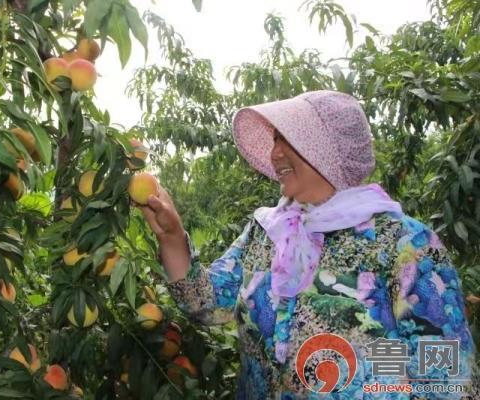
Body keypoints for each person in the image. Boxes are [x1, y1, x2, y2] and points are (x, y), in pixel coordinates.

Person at [139, 90, 478, 399]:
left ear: (328, 148)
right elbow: (208, 304)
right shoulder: (269, 230)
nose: (275, 153)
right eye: (274, 139)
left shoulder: (406, 245)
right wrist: (171, 236)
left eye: (287, 139)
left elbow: (449, 379)